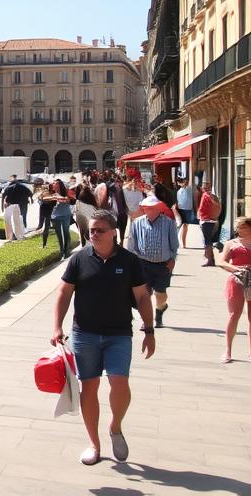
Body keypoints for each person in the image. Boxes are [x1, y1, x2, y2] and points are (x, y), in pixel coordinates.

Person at [50, 209, 155, 466]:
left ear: (113, 233)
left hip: (119, 334)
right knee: (89, 387)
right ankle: (94, 444)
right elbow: (64, 293)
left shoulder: (129, 261)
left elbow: (142, 296)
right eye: (91, 230)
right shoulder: (79, 259)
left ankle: (115, 427)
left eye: (100, 230)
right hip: (84, 334)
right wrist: (57, 327)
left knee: (120, 383)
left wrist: (149, 330)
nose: (94, 234)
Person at [215, 216, 251, 363]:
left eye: (245, 227)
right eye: (239, 227)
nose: (241, 230)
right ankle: (227, 350)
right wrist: (237, 269)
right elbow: (221, 262)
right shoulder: (231, 244)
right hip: (237, 281)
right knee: (234, 315)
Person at [125, 195, 179, 328]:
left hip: (163, 264)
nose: (149, 210)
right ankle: (146, 321)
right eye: (147, 208)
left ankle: (160, 309)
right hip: (143, 264)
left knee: (160, 294)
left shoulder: (168, 223)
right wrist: (131, 263)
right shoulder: (137, 223)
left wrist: (173, 259)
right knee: (144, 294)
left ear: (159, 208)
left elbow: (174, 244)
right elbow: (131, 244)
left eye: (153, 207)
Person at [43, 180, 75, 259]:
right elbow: (44, 198)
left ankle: (66, 251)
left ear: (60, 185)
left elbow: (72, 200)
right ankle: (61, 251)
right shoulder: (51, 194)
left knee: (66, 232)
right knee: (59, 234)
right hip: (55, 216)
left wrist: (65, 199)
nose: (54, 184)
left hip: (66, 215)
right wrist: (54, 198)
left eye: (56, 183)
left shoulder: (67, 192)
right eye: (53, 183)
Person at [197, 183, 222, 267]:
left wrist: (200, 217)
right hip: (213, 220)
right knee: (209, 240)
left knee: (207, 241)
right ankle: (211, 259)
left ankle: (209, 260)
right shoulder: (213, 196)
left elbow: (202, 209)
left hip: (206, 220)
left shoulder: (205, 196)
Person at [1, 176, 32, 242]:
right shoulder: (23, 187)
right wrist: (31, 199)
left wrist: (2, 206)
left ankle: (15, 235)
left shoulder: (8, 188)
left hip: (13, 205)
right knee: (22, 218)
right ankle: (22, 234)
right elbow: (30, 194)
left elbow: (3, 196)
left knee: (14, 221)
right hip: (23, 204)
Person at [175, 176, 196, 249]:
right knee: (180, 226)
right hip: (181, 210)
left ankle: (183, 243)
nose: (181, 182)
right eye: (179, 181)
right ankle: (177, 242)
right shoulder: (179, 191)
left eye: (182, 181)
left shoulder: (189, 189)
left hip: (188, 210)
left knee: (184, 226)